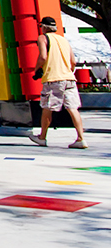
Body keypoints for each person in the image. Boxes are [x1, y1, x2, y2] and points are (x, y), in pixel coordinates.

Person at [29, 16, 87, 149]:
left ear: (43, 27)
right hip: (69, 78)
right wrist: (67, 71)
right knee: (73, 108)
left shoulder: (43, 38)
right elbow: (73, 62)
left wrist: (37, 69)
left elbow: (43, 56)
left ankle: (42, 137)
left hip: (53, 78)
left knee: (47, 108)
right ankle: (81, 138)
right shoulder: (64, 40)